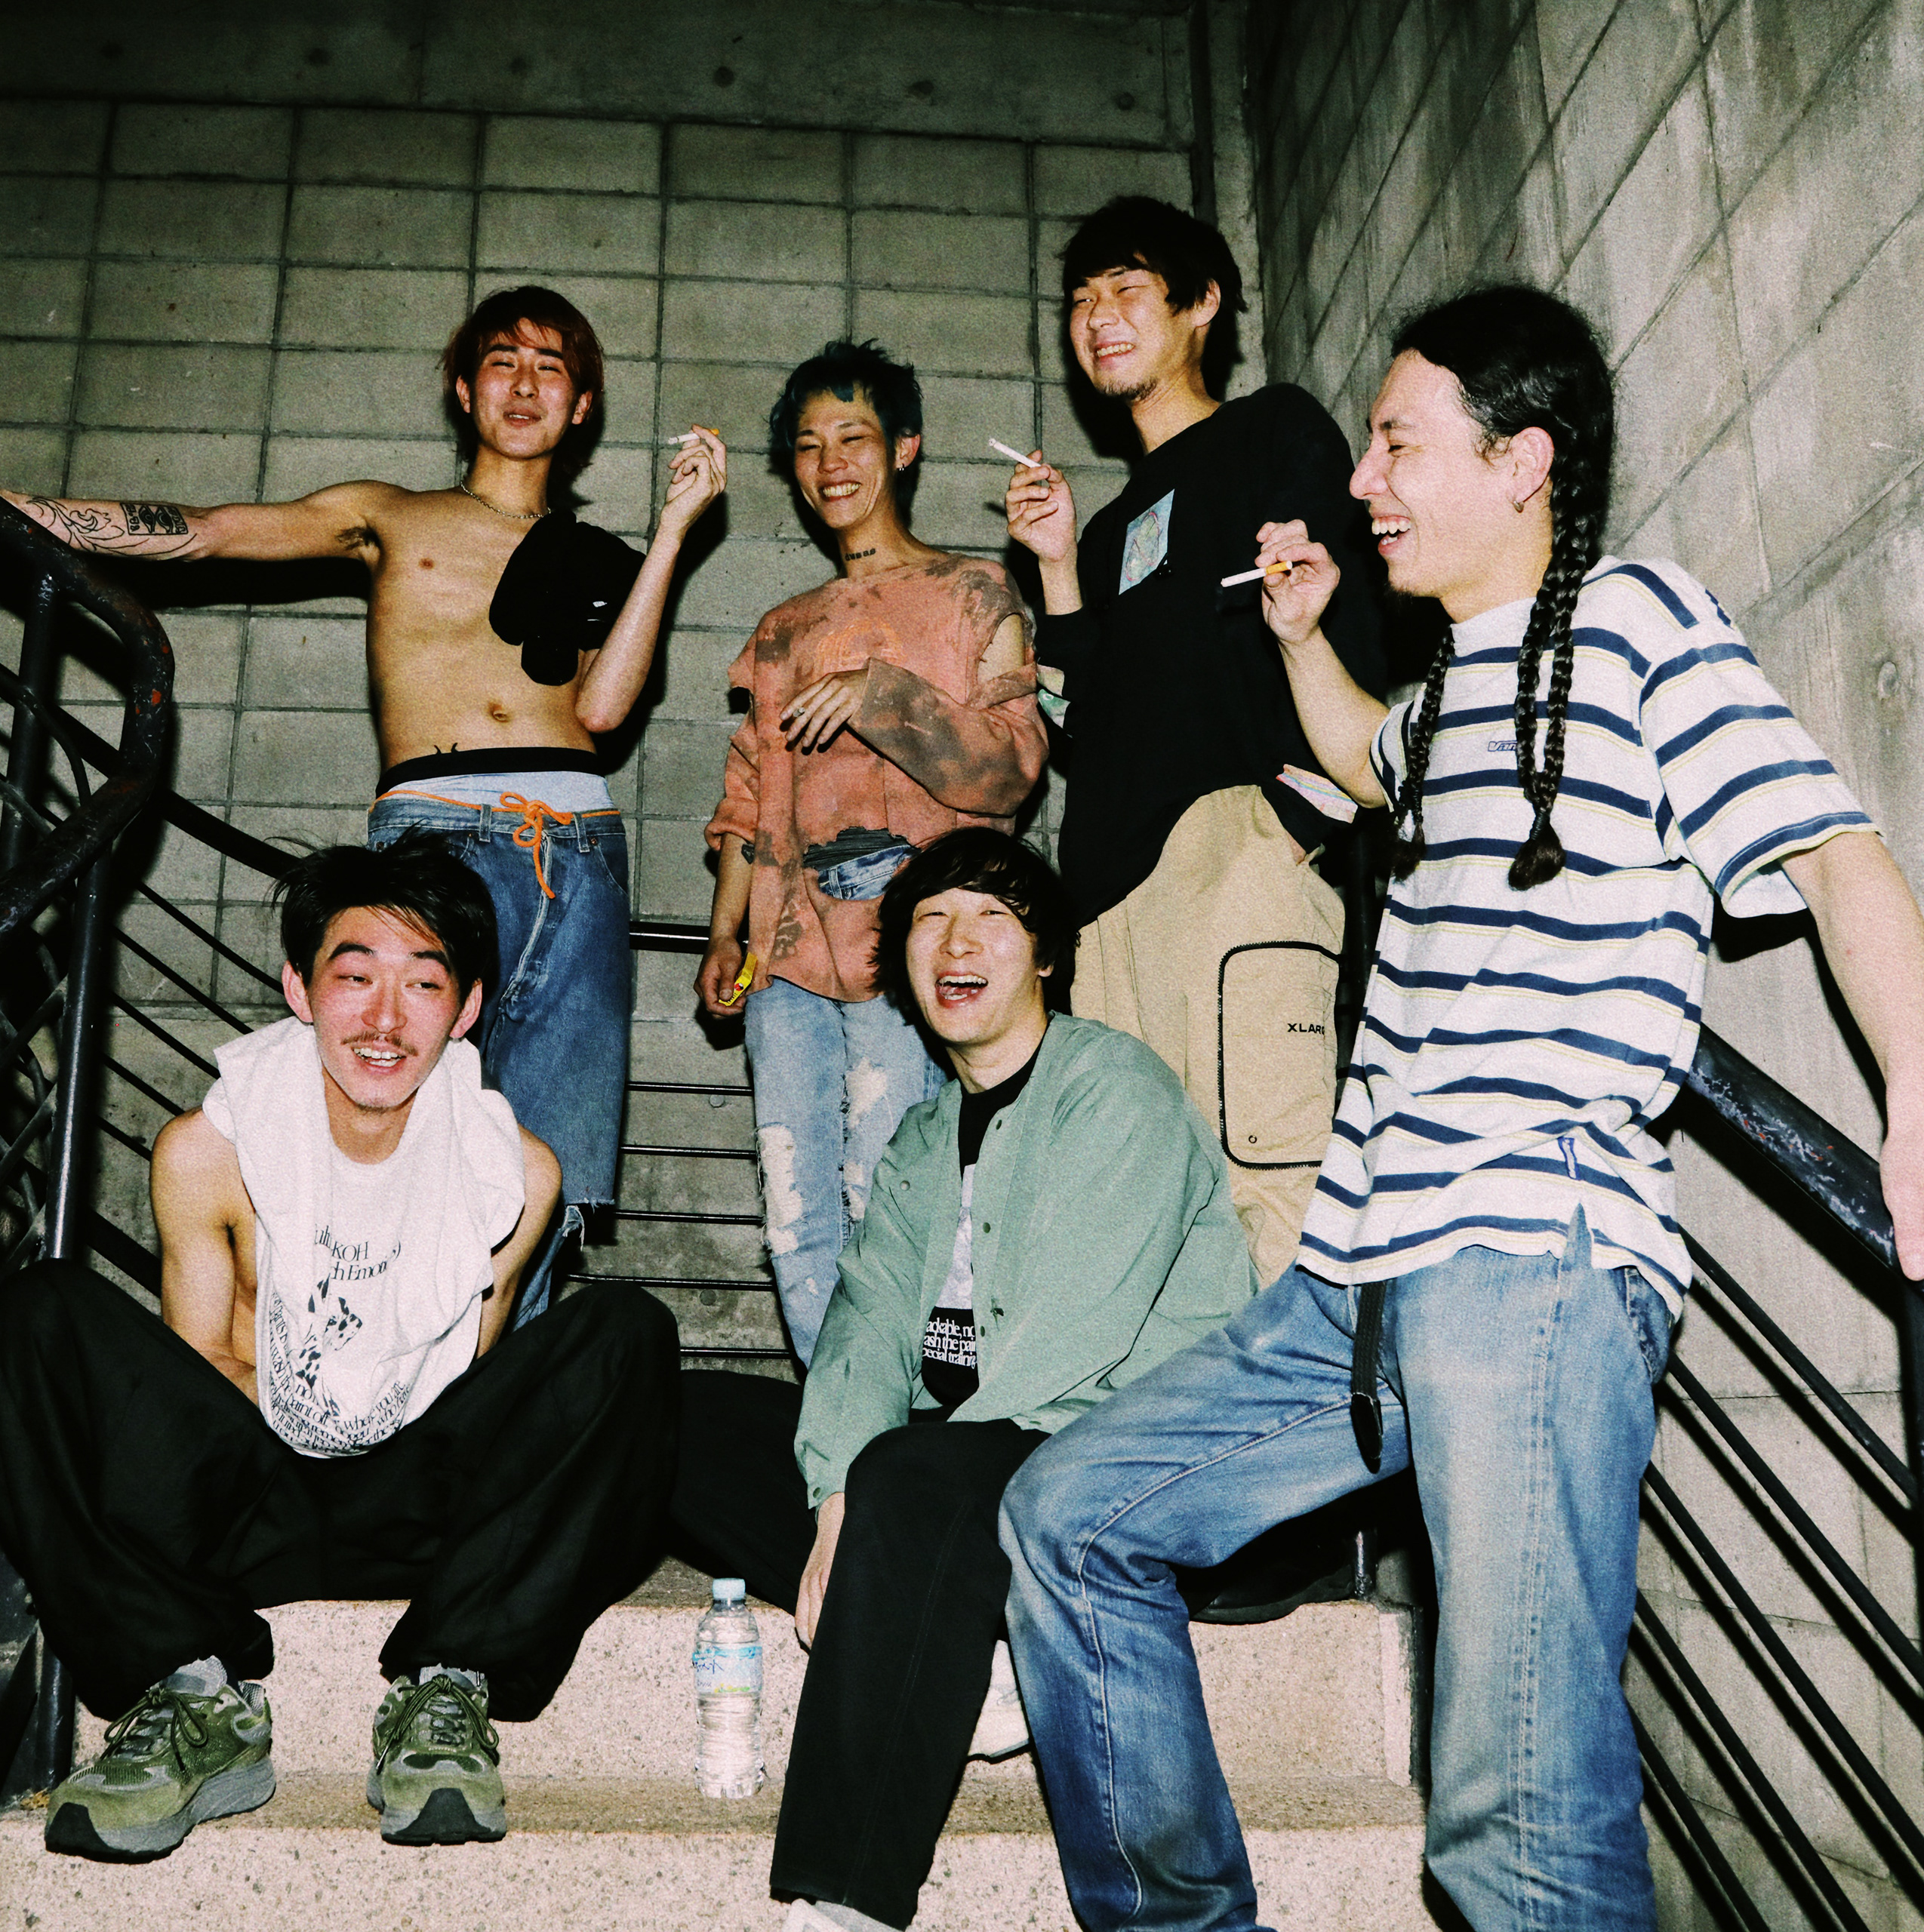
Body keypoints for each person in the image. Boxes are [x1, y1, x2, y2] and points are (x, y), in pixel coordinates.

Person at [999, 285, 1924, 1931]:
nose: (1365, 482)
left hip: (1526, 1258)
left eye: (1399, 445)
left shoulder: (1635, 621)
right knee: (1068, 1517)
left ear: (1522, 462)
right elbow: (1369, 760)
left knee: (1513, 1823)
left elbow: (1833, 848)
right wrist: (1299, 637)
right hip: (1353, 1289)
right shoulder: (1448, 691)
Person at [0, 285, 729, 1324]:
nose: (525, 384)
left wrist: (672, 535)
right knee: (396, 1124)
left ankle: (505, 1403)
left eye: (551, 367)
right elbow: (206, 534)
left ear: (583, 405)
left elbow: (602, 711)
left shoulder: (598, 559)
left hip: (578, 845)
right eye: (502, 361)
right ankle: (382, 1381)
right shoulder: (391, 514)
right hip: (436, 834)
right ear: (465, 390)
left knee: (545, 1153)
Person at [0, 838, 680, 1862]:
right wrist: (324, 1396)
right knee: (33, 1310)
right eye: (355, 978)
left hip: (420, 1503)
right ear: (300, 989)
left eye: (423, 984)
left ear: (468, 1010)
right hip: (255, 1492)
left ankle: (447, 1688)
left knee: (626, 1331)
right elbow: (196, 1383)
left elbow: (470, 1381)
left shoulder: (517, 1174)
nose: (385, 1020)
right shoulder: (206, 1153)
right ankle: (192, 1694)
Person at [666, 828, 1256, 1932]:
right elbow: (868, 1327)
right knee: (684, 1417)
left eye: (992, 917)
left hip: (1115, 1459)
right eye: (930, 920)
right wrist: (835, 1495)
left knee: (913, 1474)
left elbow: (1067, 1348)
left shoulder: (1113, 1088)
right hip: (949, 1472)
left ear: (1047, 956)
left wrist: (884, 1480)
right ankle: (969, 1635)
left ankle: (844, 1899)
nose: (956, 942)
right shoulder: (925, 1134)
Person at [1001, 196, 1387, 1289]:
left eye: (1127, 290)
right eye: (1081, 300)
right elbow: (1080, 722)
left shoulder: (1274, 431)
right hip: (1106, 896)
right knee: (1137, 1218)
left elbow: (1337, 602)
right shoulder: (1110, 529)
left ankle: (1305, 1401)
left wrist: (1300, 819)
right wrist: (1057, 565)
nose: (1097, 318)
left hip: (1237, 851)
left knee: (1268, 1184)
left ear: (1202, 304)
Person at [697, 340, 1047, 1364]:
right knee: (795, 1214)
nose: (830, 464)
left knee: (889, 1200)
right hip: (788, 966)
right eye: (808, 446)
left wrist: (882, 696)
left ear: (904, 447)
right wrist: (724, 934)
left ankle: (896, 1431)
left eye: (853, 437)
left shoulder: (975, 592)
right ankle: (838, 1430)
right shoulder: (782, 629)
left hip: (919, 962)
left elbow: (1013, 770)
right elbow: (748, 797)